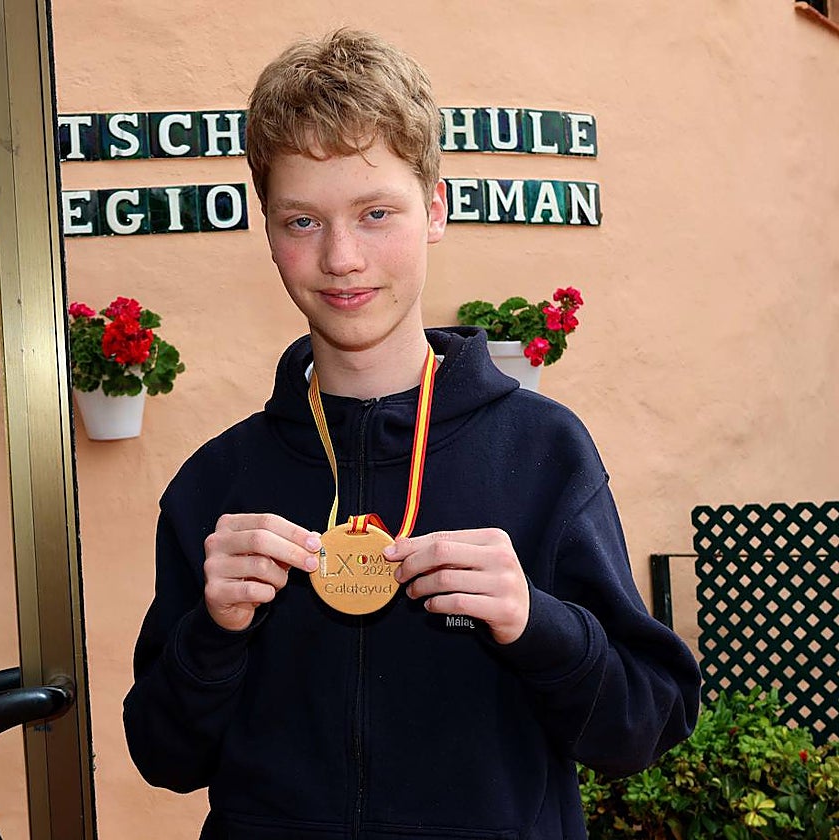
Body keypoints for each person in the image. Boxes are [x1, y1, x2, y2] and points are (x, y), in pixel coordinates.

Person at [123, 28, 700, 840]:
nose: (341, 258)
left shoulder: (544, 453)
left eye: (376, 213)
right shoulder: (217, 484)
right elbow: (163, 758)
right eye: (301, 221)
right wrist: (212, 635)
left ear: (435, 209)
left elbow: (646, 726)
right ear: (267, 231)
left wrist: (536, 621)